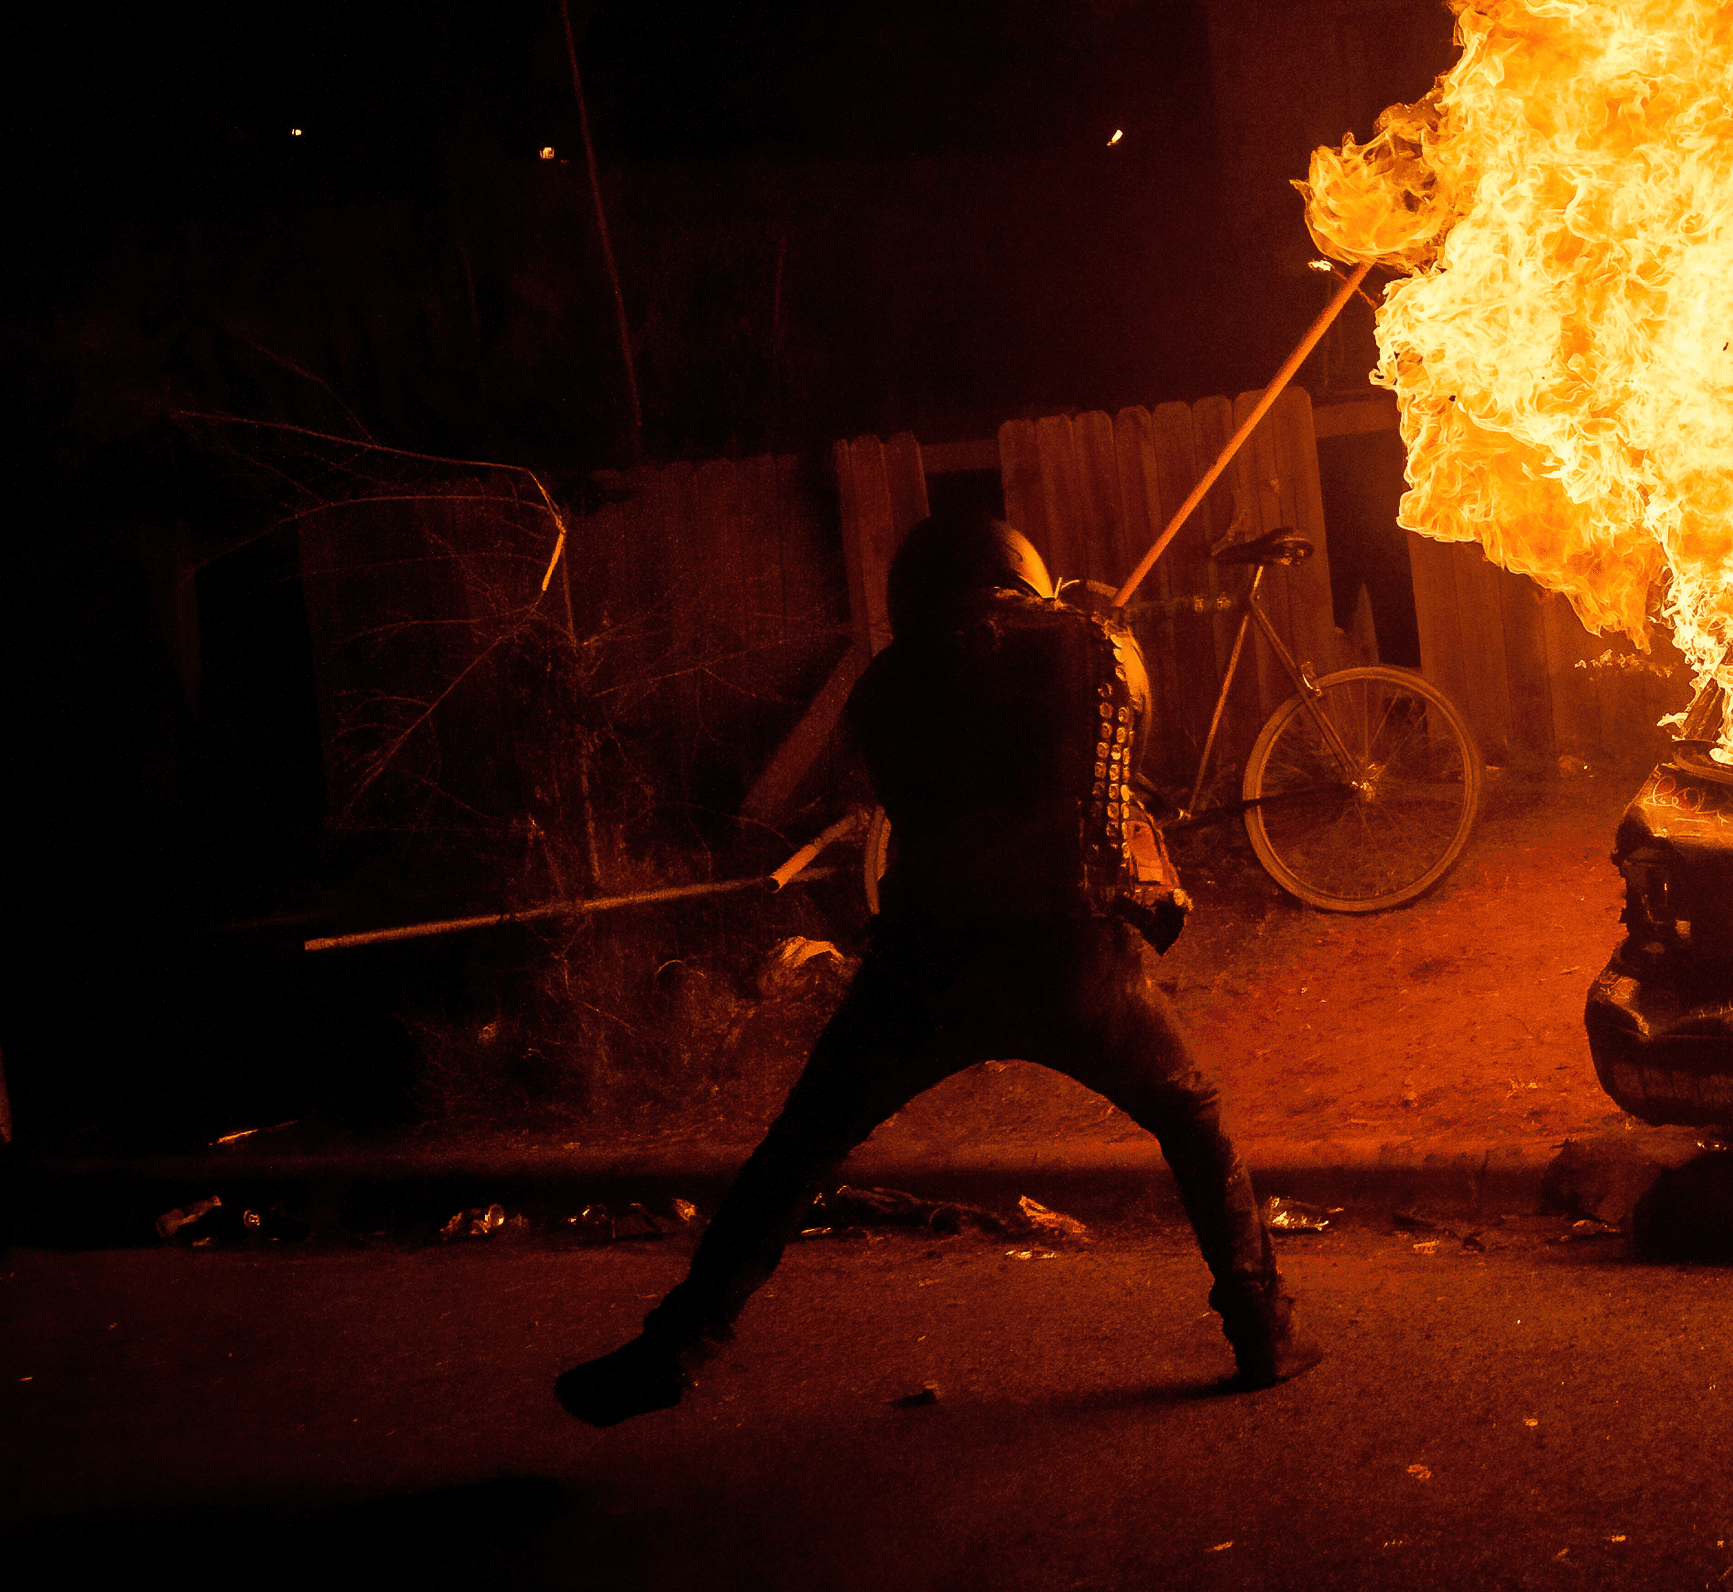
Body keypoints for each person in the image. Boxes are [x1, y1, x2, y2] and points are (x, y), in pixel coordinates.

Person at [558, 513, 1313, 1422]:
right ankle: (1262, 1328)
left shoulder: (882, 686)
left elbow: (913, 790)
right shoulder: (1101, 645)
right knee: (1191, 1116)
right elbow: (1123, 768)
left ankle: (673, 1346)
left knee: (797, 1150)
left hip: (928, 965)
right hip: (1075, 961)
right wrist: (1092, 630)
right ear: (1022, 572)